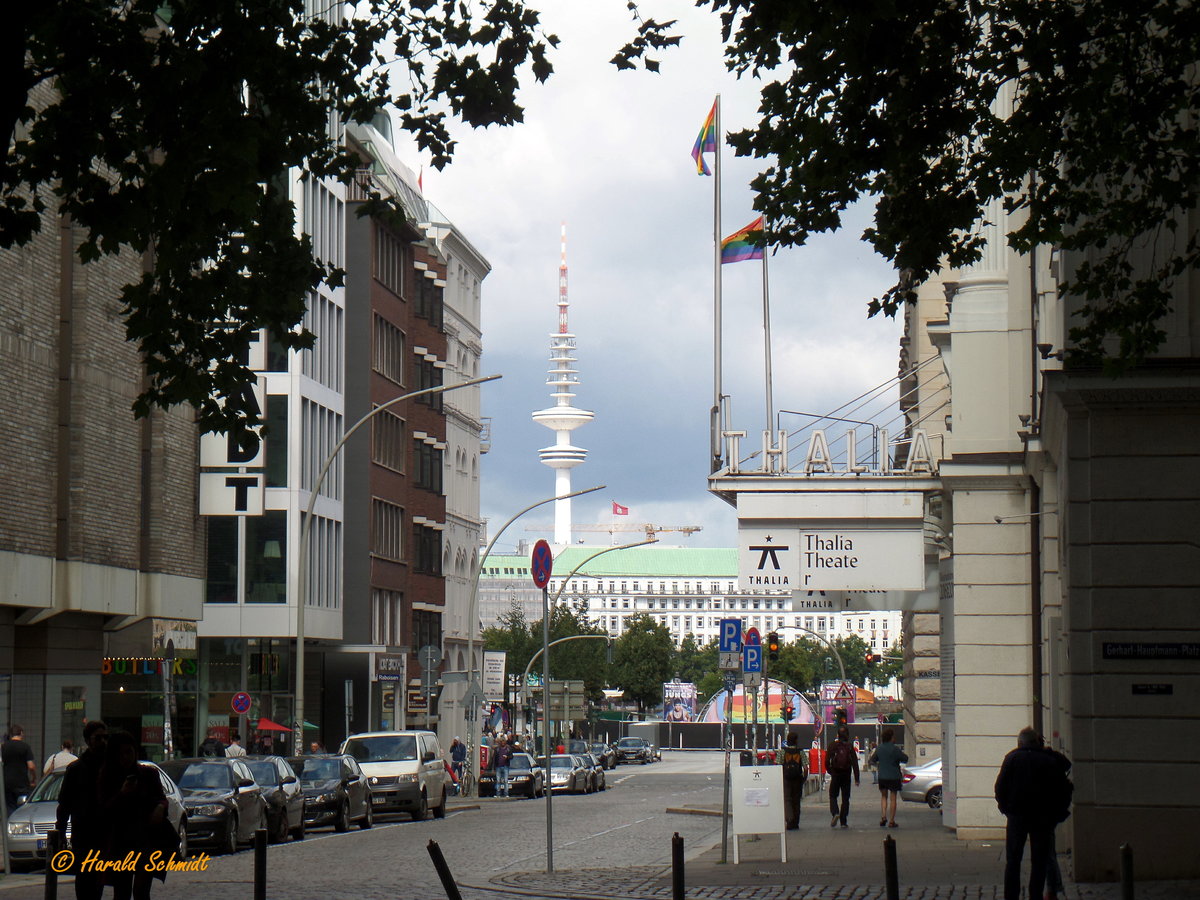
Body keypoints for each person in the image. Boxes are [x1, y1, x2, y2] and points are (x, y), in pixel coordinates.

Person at [994, 727, 1074, 900]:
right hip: (1043, 818)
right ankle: (1035, 895)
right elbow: (1062, 789)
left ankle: (1011, 896)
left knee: (1013, 861)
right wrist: (1057, 814)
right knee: (1039, 861)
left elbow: (1000, 787)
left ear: (1020, 743)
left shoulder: (1012, 758)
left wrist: (1005, 808)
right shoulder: (1048, 760)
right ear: (1037, 742)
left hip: (1017, 816)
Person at [99, 732, 172, 900]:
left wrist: (161, 807)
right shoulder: (107, 777)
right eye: (120, 754)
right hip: (120, 841)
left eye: (129, 752)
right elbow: (105, 810)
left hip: (145, 840)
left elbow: (161, 798)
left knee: (141, 890)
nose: (125, 758)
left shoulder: (149, 774)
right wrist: (122, 794)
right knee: (122, 891)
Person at [57, 720, 109, 900]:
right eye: (98, 738)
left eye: (105, 737)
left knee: (98, 883)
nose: (103, 741)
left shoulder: (111, 767)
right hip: (84, 834)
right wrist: (61, 833)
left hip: (105, 833)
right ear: (88, 740)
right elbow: (64, 804)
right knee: (85, 882)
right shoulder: (76, 769)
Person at [869, 728, 908, 828]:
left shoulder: (879, 748)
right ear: (891, 738)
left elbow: (871, 760)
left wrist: (879, 765)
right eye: (893, 736)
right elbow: (905, 758)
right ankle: (891, 821)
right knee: (893, 798)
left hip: (882, 776)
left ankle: (883, 817)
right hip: (894, 776)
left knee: (883, 796)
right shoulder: (895, 749)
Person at [826, 726, 859, 828]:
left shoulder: (832, 746)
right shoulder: (849, 747)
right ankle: (843, 821)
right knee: (845, 798)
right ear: (847, 735)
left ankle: (835, 812)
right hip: (846, 774)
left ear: (838, 735)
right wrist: (857, 778)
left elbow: (827, 761)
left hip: (836, 774)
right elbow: (855, 763)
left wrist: (830, 771)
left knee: (833, 795)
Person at [2, 723, 36, 813]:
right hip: (22, 783)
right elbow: (31, 766)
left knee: (10, 808)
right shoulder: (25, 747)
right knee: (23, 808)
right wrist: (33, 778)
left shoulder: (4, 747)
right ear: (21, 733)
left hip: (7, 783)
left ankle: (11, 825)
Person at [780, 732, 808, 830]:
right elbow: (805, 767)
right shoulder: (800, 752)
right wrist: (804, 778)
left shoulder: (783, 752)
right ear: (796, 740)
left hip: (786, 779)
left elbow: (778, 765)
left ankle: (789, 819)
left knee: (787, 799)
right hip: (797, 779)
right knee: (796, 801)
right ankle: (795, 822)